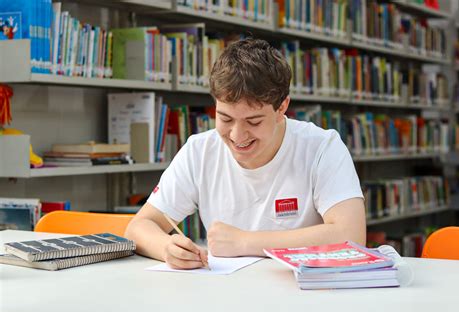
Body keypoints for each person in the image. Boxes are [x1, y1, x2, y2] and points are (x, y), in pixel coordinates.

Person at [125, 38, 365, 270]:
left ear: (282, 107)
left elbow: (351, 236)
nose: (238, 136)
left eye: (254, 121)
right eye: (225, 118)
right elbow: (139, 227)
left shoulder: (322, 147)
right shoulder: (199, 151)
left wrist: (245, 242)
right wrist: (167, 248)